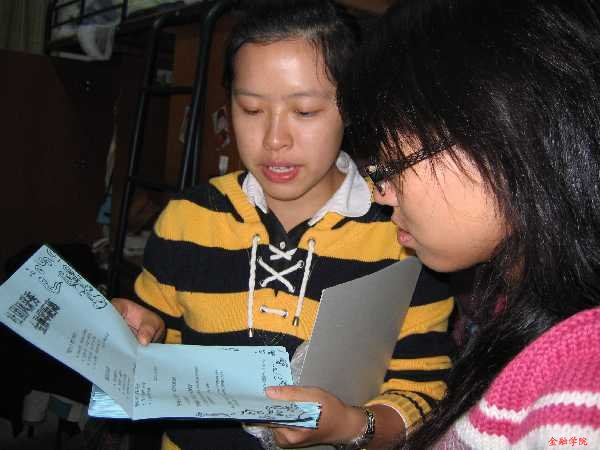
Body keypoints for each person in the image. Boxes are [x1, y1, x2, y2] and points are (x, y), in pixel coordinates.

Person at [112, 1, 454, 449]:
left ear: (352, 108)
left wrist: (352, 426)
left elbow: (422, 396)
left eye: (305, 112)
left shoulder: (404, 234)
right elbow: (153, 345)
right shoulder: (186, 220)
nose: (275, 140)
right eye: (252, 110)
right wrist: (135, 332)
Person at [337, 0, 600, 448]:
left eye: (390, 164)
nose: (380, 192)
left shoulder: (579, 393)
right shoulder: (515, 310)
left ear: (499, 132)